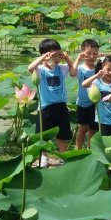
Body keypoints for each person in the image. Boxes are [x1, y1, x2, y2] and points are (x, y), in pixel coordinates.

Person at [28, 38, 76, 167]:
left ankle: (63, 155)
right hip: (45, 107)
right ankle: (43, 157)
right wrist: (43, 58)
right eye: (52, 56)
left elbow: (74, 71)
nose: (55, 59)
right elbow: (30, 68)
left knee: (62, 133)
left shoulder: (61, 68)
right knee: (43, 134)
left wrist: (66, 57)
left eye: (57, 55)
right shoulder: (40, 70)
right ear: (44, 56)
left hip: (60, 106)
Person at [82, 55, 111, 138]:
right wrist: (97, 75)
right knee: (105, 146)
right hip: (102, 121)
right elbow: (84, 84)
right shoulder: (97, 82)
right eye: (108, 69)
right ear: (101, 69)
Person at [72, 39, 101, 148]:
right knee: (82, 128)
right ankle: (78, 149)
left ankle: (90, 149)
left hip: (95, 103)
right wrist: (78, 59)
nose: (91, 57)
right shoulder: (80, 68)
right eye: (88, 53)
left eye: (95, 54)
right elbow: (72, 73)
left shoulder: (99, 68)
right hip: (83, 102)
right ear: (82, 53)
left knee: (93, 128)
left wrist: (102, 57)